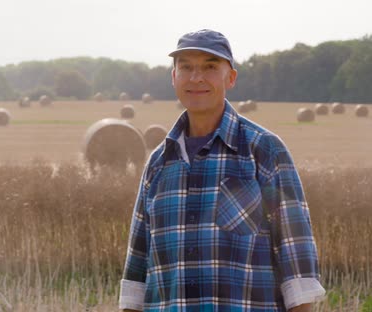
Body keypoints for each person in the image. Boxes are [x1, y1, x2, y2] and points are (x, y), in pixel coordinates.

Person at [119, 29, 325, 312]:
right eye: (186, 67)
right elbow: (136, 275)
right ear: (173, 77)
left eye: (210, 67)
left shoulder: (264, 150)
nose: (196, 77)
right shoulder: (158, 163)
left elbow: (298, 270)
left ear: (231, 78)